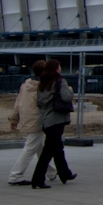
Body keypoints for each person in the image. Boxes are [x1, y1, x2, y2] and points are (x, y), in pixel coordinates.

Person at [7, 60, 56, 186]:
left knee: (38, 146)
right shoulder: (43, 87)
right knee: (30, 147)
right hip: (37, 120)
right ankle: (15, 175)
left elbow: (18, 103)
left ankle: (51, 172)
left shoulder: (25, 85)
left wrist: (14, 119)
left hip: (27, 119)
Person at [32, 59, 77, 188]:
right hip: (56, 119)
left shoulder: (42, 82)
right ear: (57, 69)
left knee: (58, 148)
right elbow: (66, 97)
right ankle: (37, 179)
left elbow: (38, 102)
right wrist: (70, 90)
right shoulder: (60, 81)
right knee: (48, 151)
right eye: (59, 66)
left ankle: (64, 173)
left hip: (46, 120)